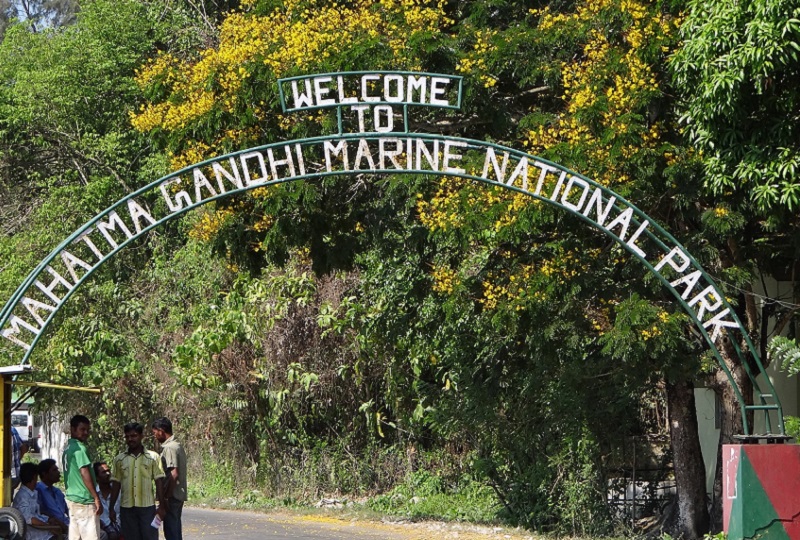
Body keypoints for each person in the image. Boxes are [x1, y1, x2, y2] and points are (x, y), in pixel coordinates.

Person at [110, 422, 166, 540]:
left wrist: (162, 506)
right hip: (127, 509)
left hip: (147, 508)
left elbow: (159, 481)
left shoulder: (153, 457)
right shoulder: (119, 459)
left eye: (134, 436)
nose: (131, 439)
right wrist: (111, 508)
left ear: (141, 436)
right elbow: (116, 484)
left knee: (149, 537)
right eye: (128, 436)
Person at [62, 414, 103, 540]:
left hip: (72, 500)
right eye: (82, 429)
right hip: (84, 501)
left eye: (87, 430)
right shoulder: (80, 449)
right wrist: (96, 497)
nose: (86, 433)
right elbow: (84, 472)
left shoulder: (68, 447)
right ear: (73, 429)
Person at [151, 417, 187, 540]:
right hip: (177, 494)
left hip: (172, 495)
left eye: (155, 433)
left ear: (161, 431)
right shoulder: (177, 445)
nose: (155, 436)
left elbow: (174, 473)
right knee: (175, 527)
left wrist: (165, 497)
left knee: (171, 531)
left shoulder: (170, 448)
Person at [13, 462, 56, 540]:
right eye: (36, 478)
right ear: (32, 479)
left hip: (43, 532)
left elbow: (36, 514)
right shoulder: (22, 496)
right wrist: (49, 527)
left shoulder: (31, 493)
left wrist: (49, 519)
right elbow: (30, 519)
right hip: (34, 535)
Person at [36, 459, 69, 535]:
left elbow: (68, 510)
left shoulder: (57, 491)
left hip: (68, 526)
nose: (58, 473)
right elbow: (41, 512)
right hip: (54, 530)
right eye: (54, 470)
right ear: (44, 474)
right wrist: (58, 523)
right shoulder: (38, 490)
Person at [93, 462, 120, 540]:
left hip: (120, 524)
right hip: (103, 526)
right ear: (97, 477)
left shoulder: (118, 491)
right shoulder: (94, 494)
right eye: (103, 472)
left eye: (108, 471)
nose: (108, 474)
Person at [10, 425, 29, 491]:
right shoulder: (13, 430)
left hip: (7, 475)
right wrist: (16, 461)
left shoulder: (4, 431)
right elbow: (24, 448)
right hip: (16, 474)